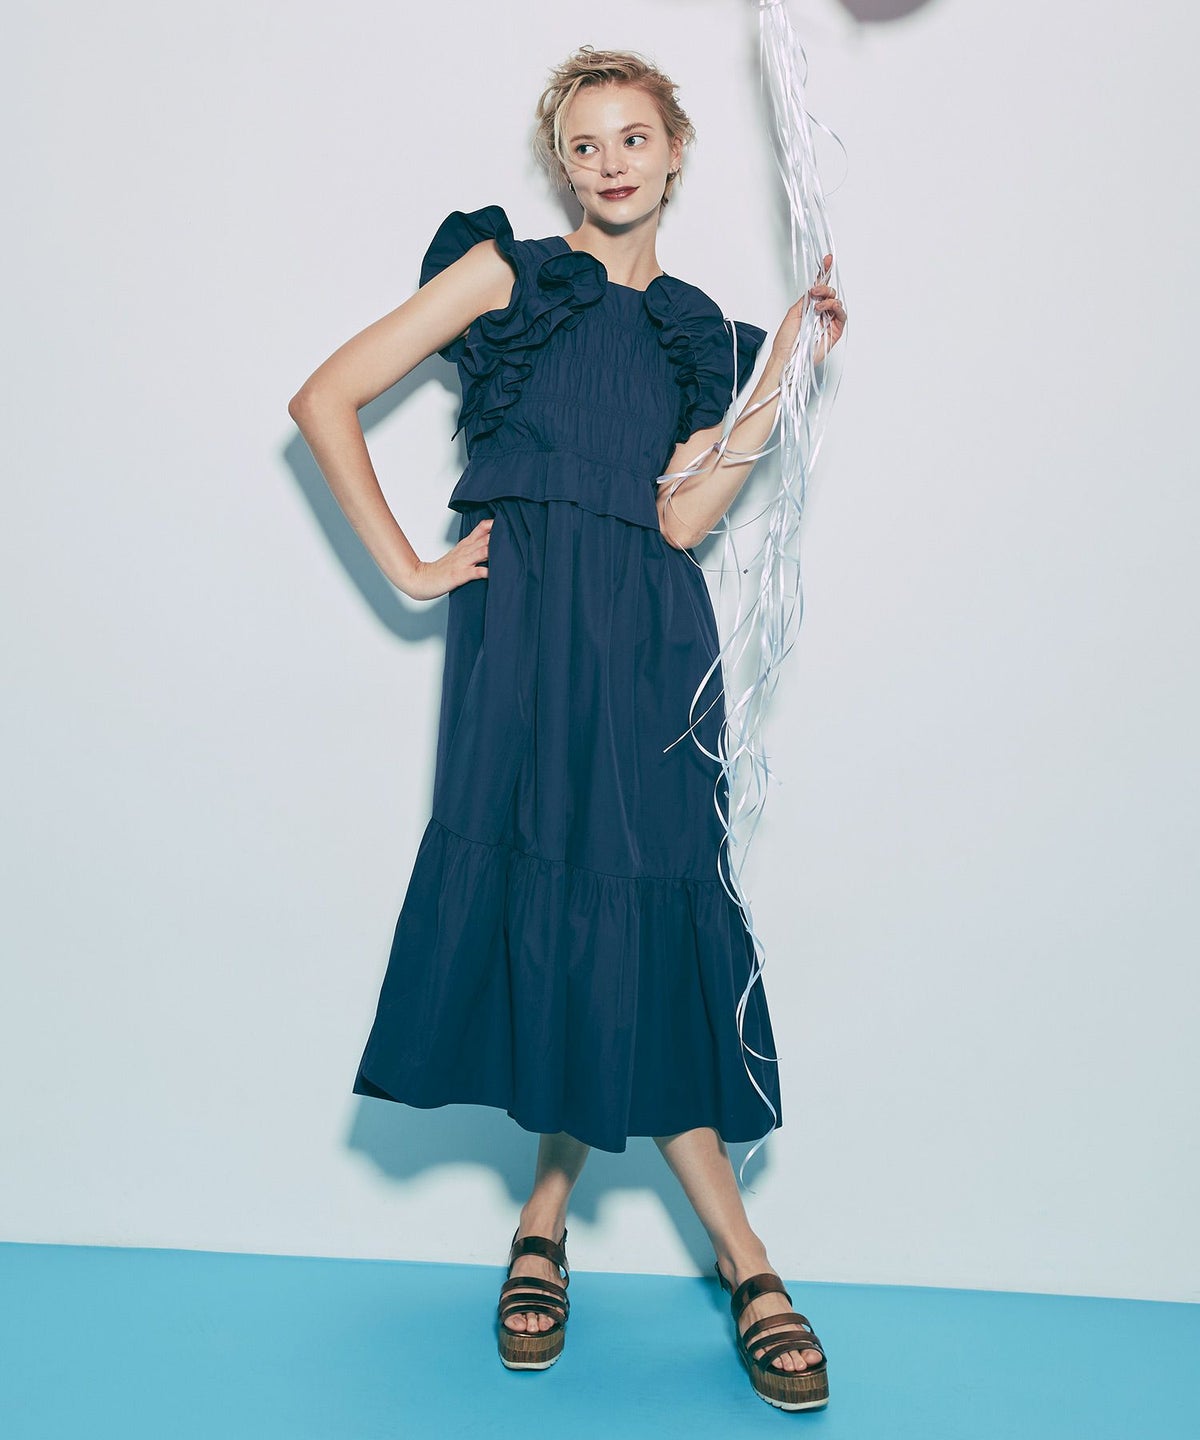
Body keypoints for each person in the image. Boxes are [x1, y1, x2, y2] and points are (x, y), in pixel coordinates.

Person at [289, 44, 845, 1411]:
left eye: (633, 137)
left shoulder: (693, 329)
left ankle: (554, 1226)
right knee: (564, 900)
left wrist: (780, 368)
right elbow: (323, 399)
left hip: (650, 648)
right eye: (585, 142)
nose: (610, 161)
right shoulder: (508, 277)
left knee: (637, 916)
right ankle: (741, 1262)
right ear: (562, 164)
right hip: (525, 639)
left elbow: (683, 517)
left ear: (674, 150)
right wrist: (412, 570)